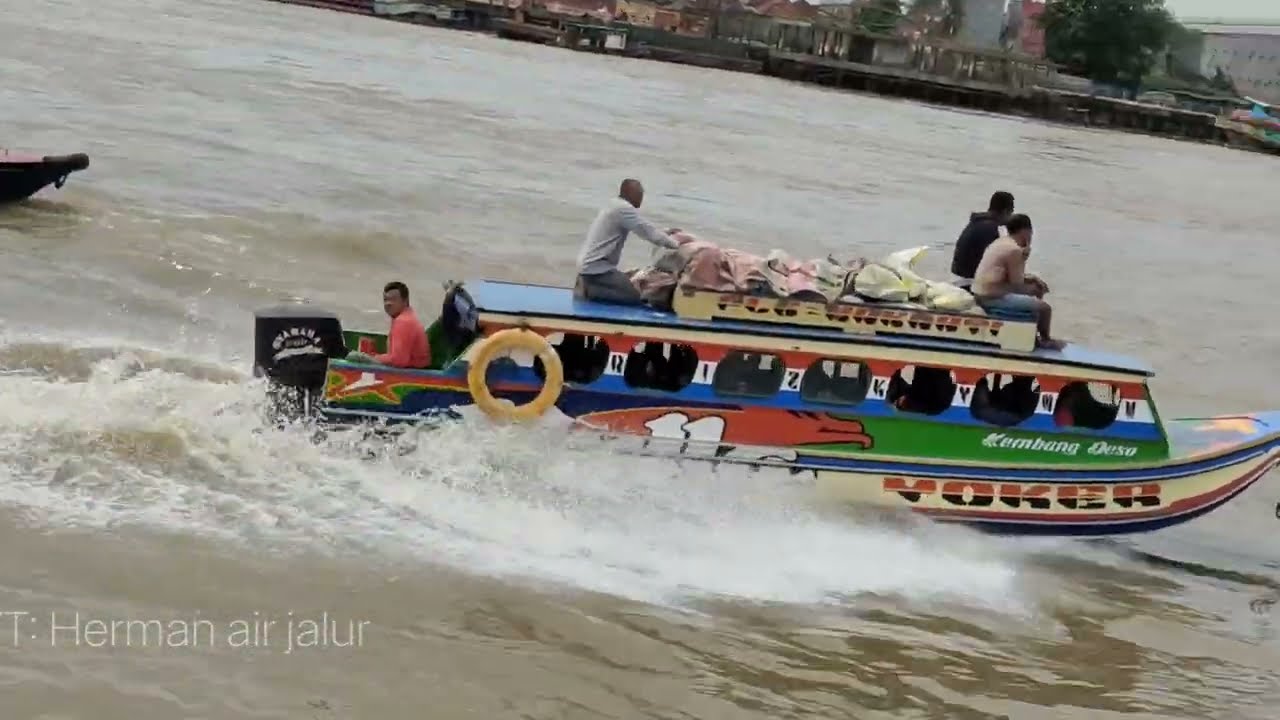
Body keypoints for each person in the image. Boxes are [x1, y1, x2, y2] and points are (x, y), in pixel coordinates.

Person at [575, 178, 691, 305]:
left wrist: (666, 233)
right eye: (640, 194)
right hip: (597, 269)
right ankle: (590, 291)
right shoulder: (623, 209)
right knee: (634, 298)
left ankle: (589, 285)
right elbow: (648, 232)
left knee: (629, 289)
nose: (641, 198)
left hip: (589, 265)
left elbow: (644, 226)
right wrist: (676, 245)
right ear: (630, 193)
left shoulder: (615, 206)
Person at [971, 214, 1065, 350]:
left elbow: (1009, 277)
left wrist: (1031, 278)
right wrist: (1025, 259)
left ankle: (1033, 335)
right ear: (1025, 231)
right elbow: (1018, 283)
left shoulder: (1000, 242)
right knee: (1045, 308)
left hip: (981, 292)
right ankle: (1045, 340)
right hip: (991, 297)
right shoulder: (1014, 250)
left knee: (1034, 289)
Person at [951, 191, 1049, 297]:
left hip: (961, 277)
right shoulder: (989, 230)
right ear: (1006, 211)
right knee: (1034, 289)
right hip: (969, 283)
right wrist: (1023, 260)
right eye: (1011, 213)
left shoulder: (978, 223)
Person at [345, 281, 432, 368]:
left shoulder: (403, 321)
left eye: (393, 299)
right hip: (411, 368)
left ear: (405, 301)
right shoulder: (408, 317)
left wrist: (374, 357)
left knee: (353, 357)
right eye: (385, 300)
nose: (388, 303)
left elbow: (398, 360)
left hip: (410, 371)